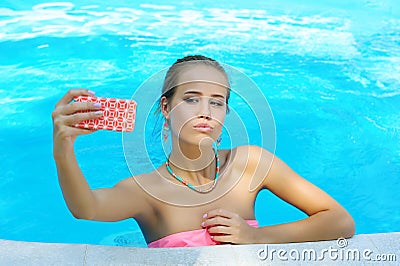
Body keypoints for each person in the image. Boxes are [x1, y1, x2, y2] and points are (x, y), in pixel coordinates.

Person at [52, 55, 355, 248]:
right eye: (192, 99)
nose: (206, 111)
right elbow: (86, 208)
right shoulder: (147, 191)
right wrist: (63, 148)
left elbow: (340, 221)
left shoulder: (250, 163)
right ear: (166, 108)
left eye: (217, 101)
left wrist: (256, 237)